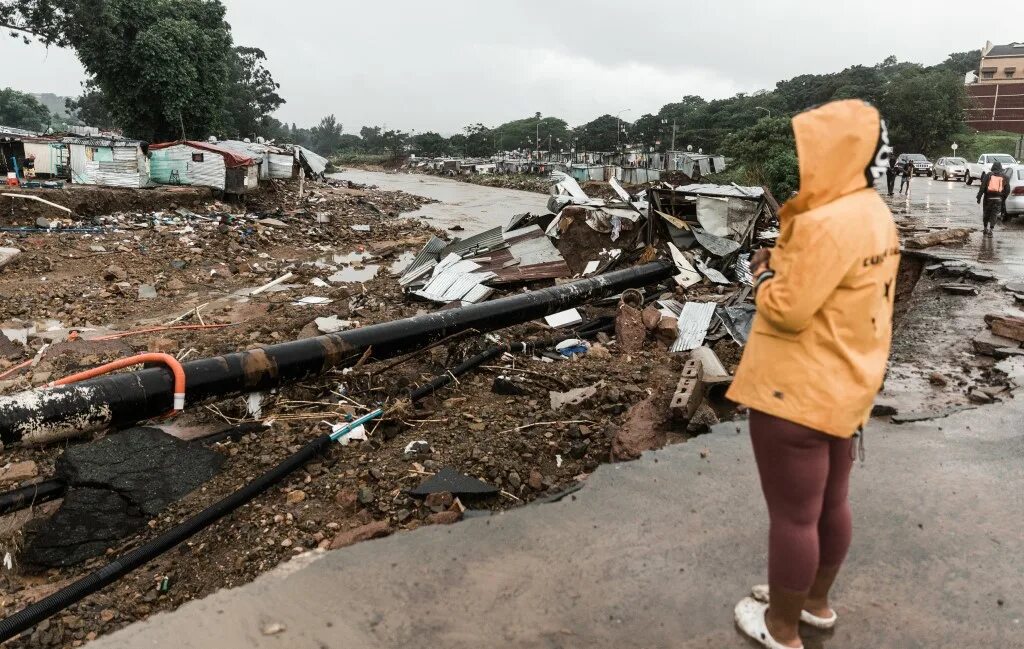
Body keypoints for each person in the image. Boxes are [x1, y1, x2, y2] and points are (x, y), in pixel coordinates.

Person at [728, 99, 900, 649]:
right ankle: (814, 603)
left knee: (794, 518)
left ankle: (781, 628)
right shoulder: (873, 210)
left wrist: (761, 275)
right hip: (850, 380)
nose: (804, 162)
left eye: (810, 150)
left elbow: (788, 308)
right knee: (832, 503)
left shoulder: (824, 222)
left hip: (794, 389)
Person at [976, 160, 1010, 236]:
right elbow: (1007, 190)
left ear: (993, 167)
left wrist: (979, 197)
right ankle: (991, 230)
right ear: (1001, 168)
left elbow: (982, 187)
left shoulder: (988, 175)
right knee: (994, 214)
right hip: (998, 199)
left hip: (988, 198)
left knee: (986, 213)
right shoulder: (1005, 177)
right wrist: (1003, 198)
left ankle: (985, 229)